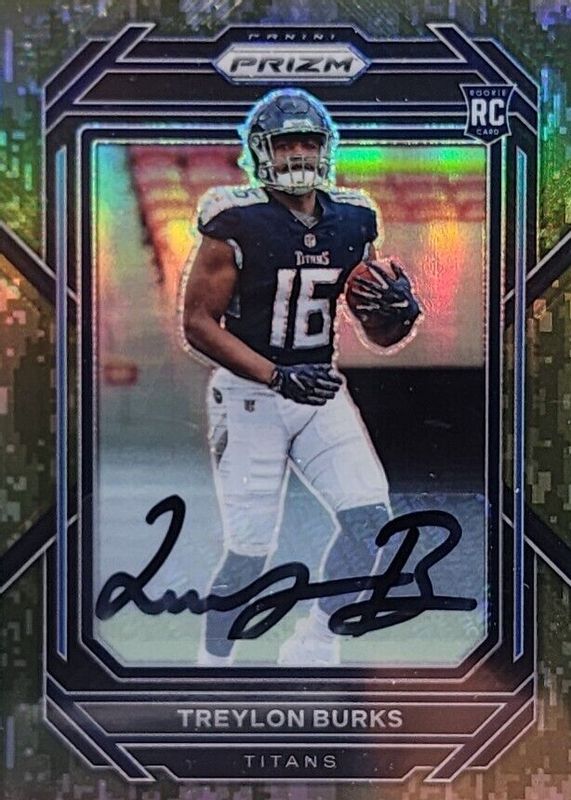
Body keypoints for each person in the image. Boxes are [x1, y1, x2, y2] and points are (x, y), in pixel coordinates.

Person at [183, 88, 420, 666]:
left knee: (371, 524)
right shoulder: (234, 218)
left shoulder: (354, 218)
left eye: (307, 142)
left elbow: (377, 336)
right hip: (250, 395)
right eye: (285, 143)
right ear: (260, 152)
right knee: (250, 553)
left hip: (319, 389)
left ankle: (315, 642)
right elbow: (197, 324)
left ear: (324, 149)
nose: (297, 154)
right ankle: (213, 664)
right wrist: (274, 376)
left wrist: (397, 315)